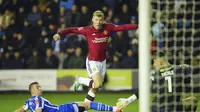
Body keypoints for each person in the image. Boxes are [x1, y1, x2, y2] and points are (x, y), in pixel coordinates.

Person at [53, 10, 137, 104]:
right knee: (98, 84)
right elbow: (72, 29)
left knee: (96, 88)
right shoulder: (87, 30)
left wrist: (137, 26)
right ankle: (80, 80)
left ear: (103, 20)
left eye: (100, 20)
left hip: (103, 61)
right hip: (92, 61)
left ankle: (84, 107)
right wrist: (59, 33)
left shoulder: (108, 27)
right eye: (96, 20)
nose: (98, 22)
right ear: (93, 19)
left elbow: (124, 27)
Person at [116, 51, 198, 112]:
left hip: (158, 108)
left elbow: (144, 90)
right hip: (173, 107)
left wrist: (128, 100)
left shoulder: (156, 74)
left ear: (160, 62)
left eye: (155, 62)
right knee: (193, 100)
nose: (154, 65)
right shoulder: (180, 68)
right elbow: (194, 71)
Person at [15, 82, 121, 112]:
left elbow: (20, 110)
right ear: (31, 90)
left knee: (85, 106)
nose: (40, 89)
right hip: (63, 109)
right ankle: (114, 109)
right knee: (88, 105)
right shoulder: (37, 99)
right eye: (38, 87)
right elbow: (39, 111)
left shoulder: (28, 102)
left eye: (40, 87)